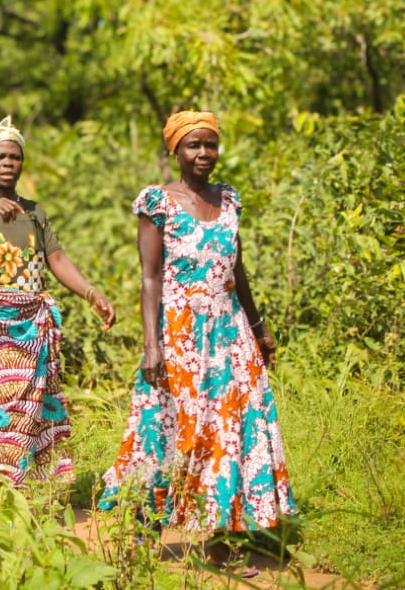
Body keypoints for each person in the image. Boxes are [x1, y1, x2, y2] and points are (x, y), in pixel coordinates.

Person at [98, 111, 294, 568]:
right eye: (193, 145)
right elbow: (149, 279)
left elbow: (236, 269)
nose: (203, 153)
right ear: (175, 151)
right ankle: (145, 540)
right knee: (166, 429)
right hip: (179, 336)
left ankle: (219, 544)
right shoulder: (157, 203)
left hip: (230, 335)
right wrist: (152, 346)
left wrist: (259, 324)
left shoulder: (229, 201)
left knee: (227, 432)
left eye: (210, 144)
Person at [0, 115, 117, 485]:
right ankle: (0, 480)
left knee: (32, 406)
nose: (8, 163)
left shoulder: (34, 211)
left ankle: (16, 481)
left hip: (32, 321)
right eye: (0, 156)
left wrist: (91, 293)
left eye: (15, 157)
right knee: (9, 403)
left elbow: (57, 260)